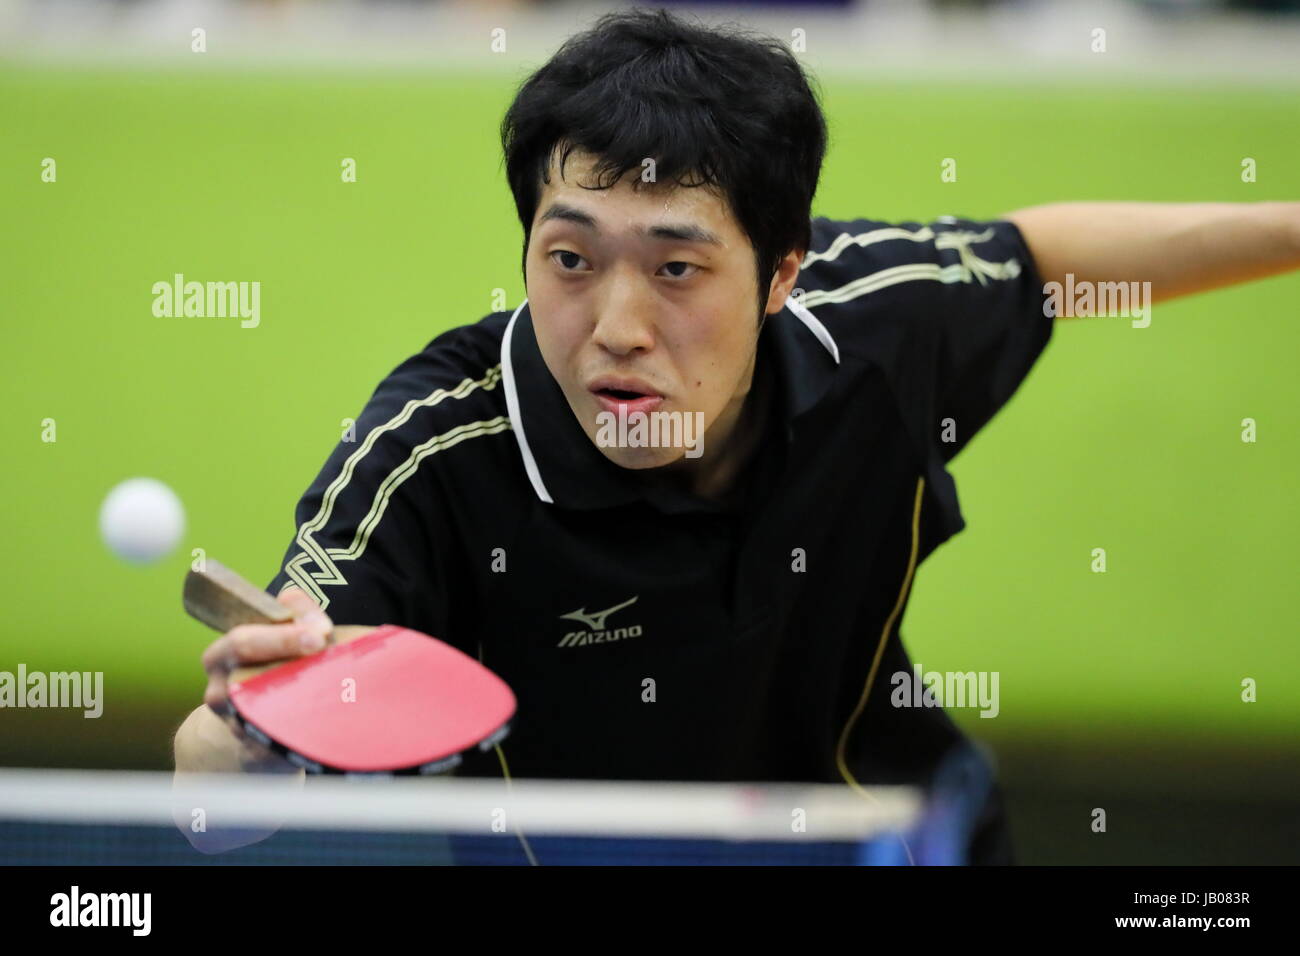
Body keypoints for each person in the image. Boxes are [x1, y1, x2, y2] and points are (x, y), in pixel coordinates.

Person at [172, 8, 1300, 863]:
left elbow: (1042, 258)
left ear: (779, 275)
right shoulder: (431, 451)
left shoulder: (873, 325)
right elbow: (212, 809)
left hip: (890, 839)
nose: (614, 328)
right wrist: (254, 729)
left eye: (675, 267)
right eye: (569, 258)